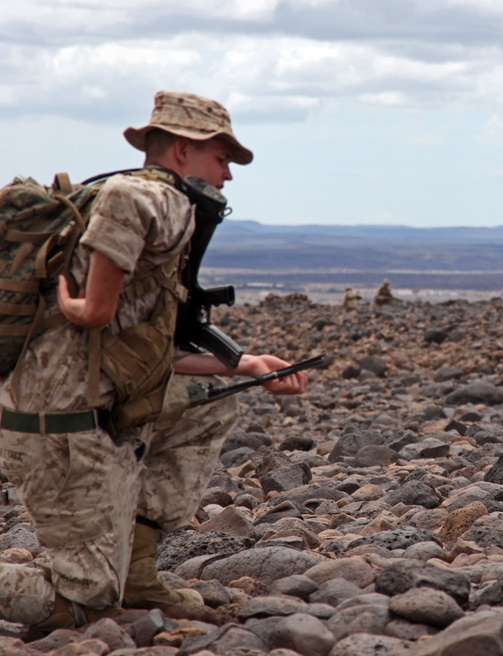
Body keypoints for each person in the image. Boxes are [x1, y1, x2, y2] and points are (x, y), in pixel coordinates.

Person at [0, 91, 308, 632]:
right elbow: (127, 196)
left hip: (98, 407)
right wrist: (92, 309)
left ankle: (137, 570)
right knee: (87, 603)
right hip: (62, 432)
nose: (228, 176)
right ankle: (106, 580)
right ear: (182, 152)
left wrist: (249, 365)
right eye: (222, 160)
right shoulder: (156, 197)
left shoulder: (158, 214)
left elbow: (149, 357)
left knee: (208, 406)